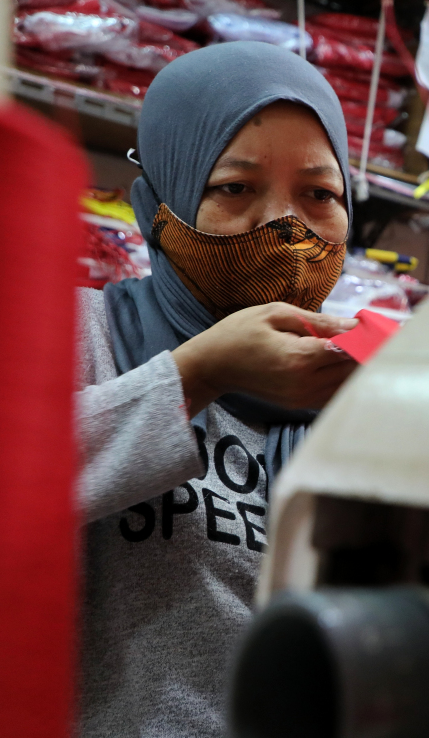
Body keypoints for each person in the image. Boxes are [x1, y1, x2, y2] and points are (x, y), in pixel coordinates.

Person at [73, 42, 360, 737]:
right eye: (235, 187)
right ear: (158, 206)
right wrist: (197, 374)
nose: (285, 228)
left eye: (319, 194)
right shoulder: (83, 335)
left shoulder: (358, 388)